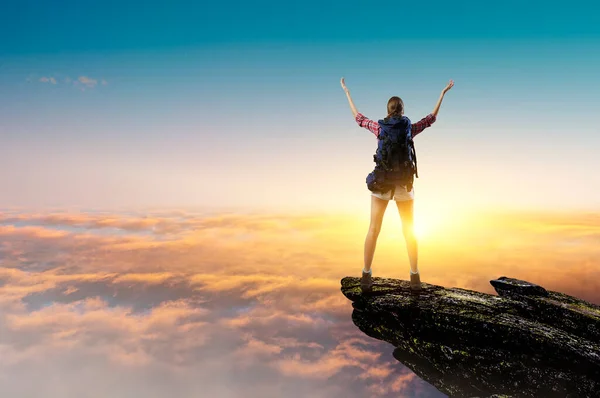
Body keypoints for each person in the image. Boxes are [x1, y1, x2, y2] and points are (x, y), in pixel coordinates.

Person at [340, 77, 454, 292]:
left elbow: (358, 118)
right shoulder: (409, 128)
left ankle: (366, 274)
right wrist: (442, 93)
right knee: (409, 230)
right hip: (404, 186)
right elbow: (431, 119)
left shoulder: (379, 128)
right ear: (402, 110)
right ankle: (414, 276)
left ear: (388, 110)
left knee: (374, 229)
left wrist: (346, 92)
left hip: (381, 184)